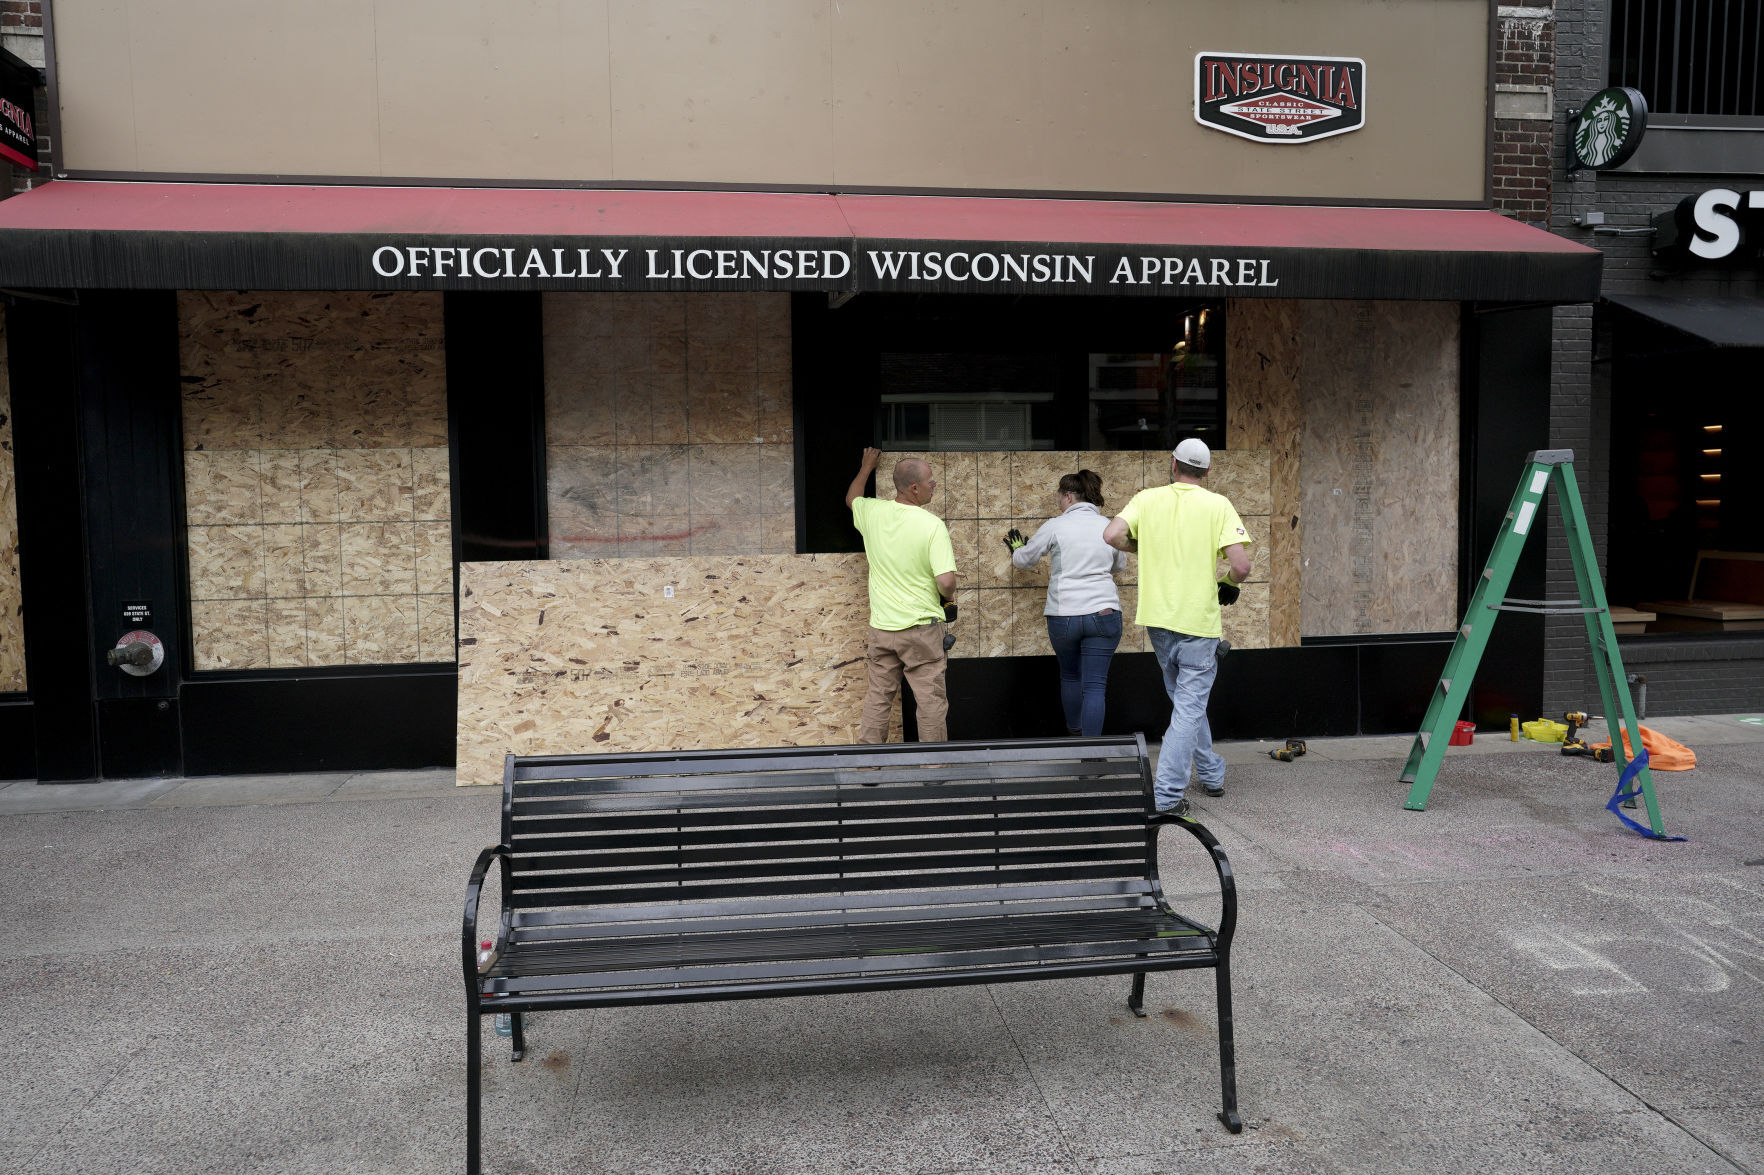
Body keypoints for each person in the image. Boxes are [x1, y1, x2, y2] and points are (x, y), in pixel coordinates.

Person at [1103, 439, 1252, 816]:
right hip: (1198, 624)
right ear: (1207, 471)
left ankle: (1211, 773)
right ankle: (1167, 794)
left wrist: (1143, 546)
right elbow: (1242, 566)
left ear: (1173, 465)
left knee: (1187, 703)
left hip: (1159, 620)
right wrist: (1229, 585)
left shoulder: (1147, 499)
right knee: (1188, 708)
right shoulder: (1217, 505)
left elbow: (1112, 536)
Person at [845, 447, 958, 743]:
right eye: (931, 482)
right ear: (915, 488)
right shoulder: (931, 525)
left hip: (882, 629)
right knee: (930, 701)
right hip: (920, 630)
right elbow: (946, 581)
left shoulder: (873, 512)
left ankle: (868, 764)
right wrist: (948, 597)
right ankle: (933, 769)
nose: (935, 486)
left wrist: (866, 466)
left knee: (878, 698)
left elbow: (851, 499)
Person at [1004, 469, 1127, 738]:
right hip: (1104, 613)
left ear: (1069, 496)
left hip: (1064, 616)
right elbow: (1120, 565)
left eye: (1059, 497)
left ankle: (1074, 735)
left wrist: (1016, 550)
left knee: (1071, 677)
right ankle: (1092, 754)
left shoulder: (1055, 525)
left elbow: (1025, 560)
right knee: (1095, 686)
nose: (1059, 502)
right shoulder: (1109, 525)